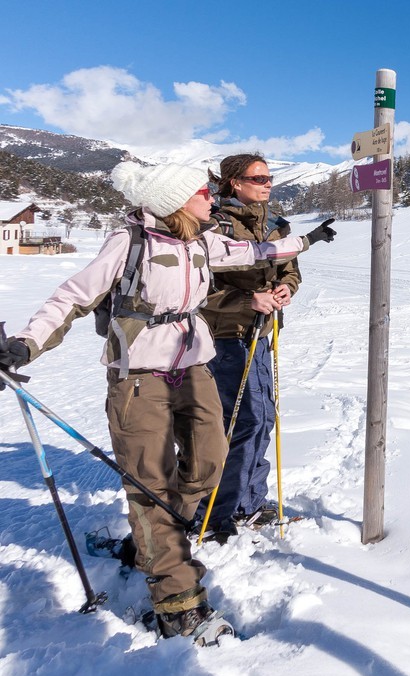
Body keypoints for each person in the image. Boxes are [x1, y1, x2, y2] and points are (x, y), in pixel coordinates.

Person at [0, 160, 335, 644]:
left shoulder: (203, 240)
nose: (210, 197)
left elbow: (256, 248)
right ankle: (179, 604)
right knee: (152, 486)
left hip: (194, 365)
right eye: (201, 191)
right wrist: (25, 344)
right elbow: (72, 296)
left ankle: (150, 544)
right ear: (175, 202)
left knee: (209, 462)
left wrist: (307, 240)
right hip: (138, 375)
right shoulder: (130, 243)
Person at [195, 152, 298, 537]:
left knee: (262, 417)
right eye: (259, 178)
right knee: (237, 422)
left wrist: (287, 287)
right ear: (234, 182)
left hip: (261, 332)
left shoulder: (275, 222)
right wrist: (245, 301)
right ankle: (215, 511)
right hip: (224, 336)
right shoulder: (213, 224)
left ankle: (248, 502)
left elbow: (290, 267)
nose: (267, 184)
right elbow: (193, 287)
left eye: (269, 178)